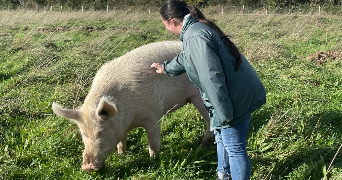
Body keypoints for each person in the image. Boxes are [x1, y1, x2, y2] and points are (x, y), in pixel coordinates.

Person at [151, 0, 266, 179]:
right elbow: (186, 57)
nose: (166, 29)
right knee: (222, 139)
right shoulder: (195, 30)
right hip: (236, 92)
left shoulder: (194, 36)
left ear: (172, 21)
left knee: (235, 148)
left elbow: (211, 78)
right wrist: (165, 68)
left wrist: (223, 113)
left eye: (164, 24)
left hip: (231, 98)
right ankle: (224, 175)